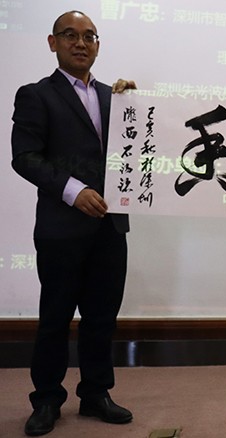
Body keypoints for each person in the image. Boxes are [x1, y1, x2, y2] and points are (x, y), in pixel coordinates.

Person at [11, 10, 137, 436]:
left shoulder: (114, 96)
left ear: (98, 45)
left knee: (102, 317)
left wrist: (136, 108)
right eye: (70, 35)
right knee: (55, 318)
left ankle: (96, 394)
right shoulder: (36, 95)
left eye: (89, 36)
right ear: (53, 42)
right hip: (61, 228)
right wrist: (72, 190)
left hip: (110, 227)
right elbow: (25, 157)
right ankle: (47, 399)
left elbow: (135, 151)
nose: (80, 43)